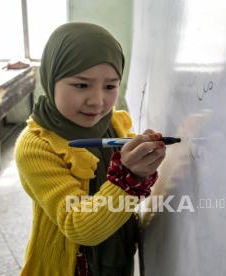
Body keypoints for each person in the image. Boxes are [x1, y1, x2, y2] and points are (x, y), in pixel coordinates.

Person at [14, 23, 167, 276]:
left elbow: (134, 185)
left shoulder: (115, 123)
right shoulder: (36, 145)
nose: (97, 101)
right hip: (72, 267)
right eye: (81, 85)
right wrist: (128, 178)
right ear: (51, 80)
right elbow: (79, 227)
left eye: (110, 86)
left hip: (116, 256)